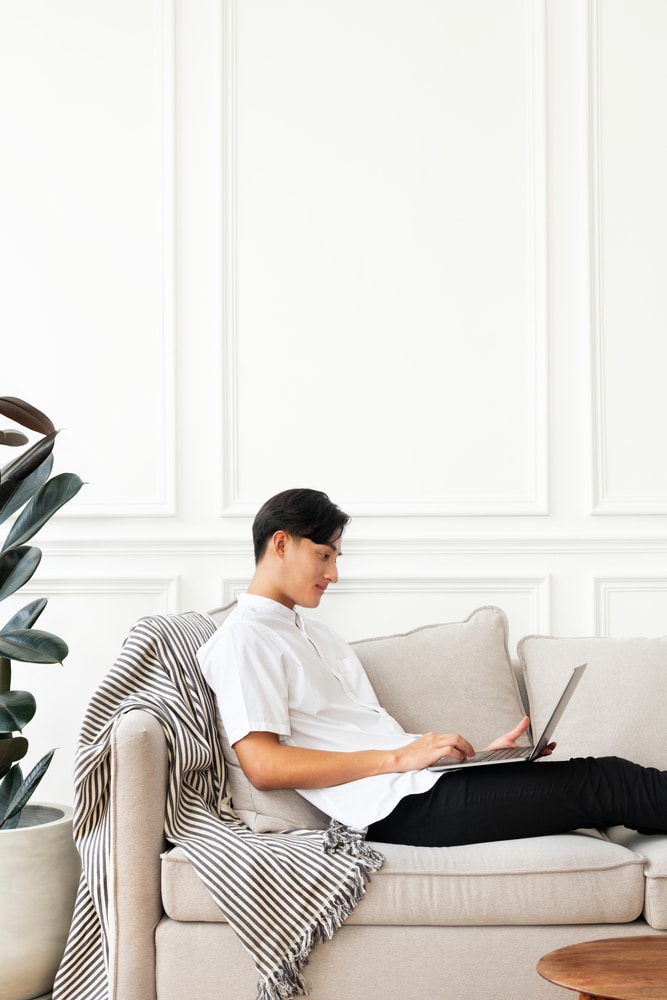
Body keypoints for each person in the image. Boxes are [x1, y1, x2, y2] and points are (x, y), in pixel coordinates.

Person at [197, 488, 667, 847]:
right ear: (281, 544)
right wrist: (402, 758)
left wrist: (480, 761)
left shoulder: (309, 633)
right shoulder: (245, 637)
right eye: (324, 555)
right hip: (397, 810)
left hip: (421, 786)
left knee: (606, 783)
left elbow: (354, 734)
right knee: (607, 779)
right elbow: (263, 765)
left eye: (336, 558)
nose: (334, 574)